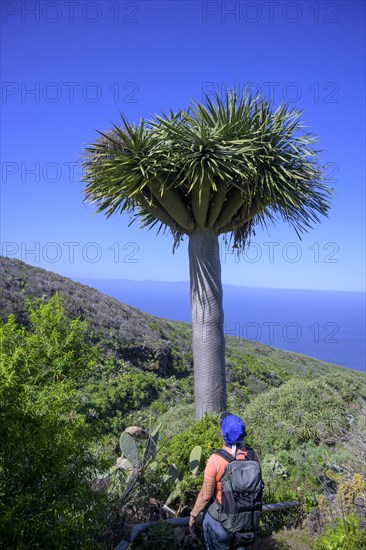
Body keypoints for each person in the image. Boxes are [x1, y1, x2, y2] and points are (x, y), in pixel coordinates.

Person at [189, 413, 261, 549]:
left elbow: (205, 496)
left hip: (221, 522)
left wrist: (193, 516)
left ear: (223, 433)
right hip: (246, 522)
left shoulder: (215, 460)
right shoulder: (253, 456)